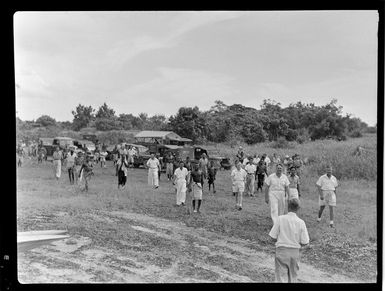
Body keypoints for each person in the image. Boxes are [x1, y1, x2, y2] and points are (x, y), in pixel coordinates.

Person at [269, 198, 310, 283]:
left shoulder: (280, 219)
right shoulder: (301, 222)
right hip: (295, 252)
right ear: (298, 208)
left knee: (281, 278)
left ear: (288, 207)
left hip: (282, 251)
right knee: (293, 278)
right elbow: (305, 242)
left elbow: (272, 237)